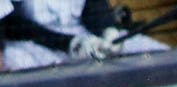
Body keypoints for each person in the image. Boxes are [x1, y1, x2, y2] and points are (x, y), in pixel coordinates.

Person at [2, 0, 168, 71]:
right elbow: (11, 24)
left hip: (87, 37)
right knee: (16, 63)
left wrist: (109, 31)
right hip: (35, 43)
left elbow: (94, 7)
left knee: (158, 52)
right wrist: (68, 44)